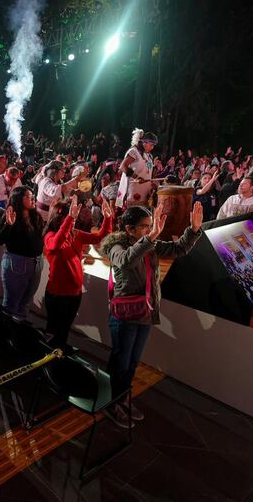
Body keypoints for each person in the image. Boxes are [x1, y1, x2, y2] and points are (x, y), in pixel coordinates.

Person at [101, 201, 203, 428]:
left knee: (132, 362)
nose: (149, 229)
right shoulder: (116, 246)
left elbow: (179, 249)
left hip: (145, 312)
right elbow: (126, 261)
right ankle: (110, 403)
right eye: (145, 226)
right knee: (120, 362)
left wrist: (193, 230)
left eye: (150, 226)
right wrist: (151, 237)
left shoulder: (149, 244)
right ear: (129, 229)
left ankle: (122, 398)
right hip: (125, 315)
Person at [43, 195, 114, 346]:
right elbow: (55, 244)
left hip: (74, 295)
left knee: (64, 331)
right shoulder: (50, 236)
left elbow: (100, 238)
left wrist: (107, 218)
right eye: (69, 216)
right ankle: (47, 359)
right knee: (53, 332)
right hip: (57, 296)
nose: (74, 219)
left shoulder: (75, 234)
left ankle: (58, 357)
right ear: (59, 218)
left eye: (73, 216)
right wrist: (70, 219)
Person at [0, 186, 45, 319]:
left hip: (37, 262)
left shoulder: (35, 216)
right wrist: (9, 225)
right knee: (11, 305)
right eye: (28, 196)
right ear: (18, 199)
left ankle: (18, 334)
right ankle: (6, 337)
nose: (32, 199)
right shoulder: (10, 216)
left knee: (25, 303)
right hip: (17, 264)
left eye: (32, 196)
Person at [116, 129, 157, 208]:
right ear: (144, 142)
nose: (152, 147)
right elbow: (123, 166)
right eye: (151, 144)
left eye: (153, 145)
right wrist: (137, 177)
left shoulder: (149, 156)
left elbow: (148, 172)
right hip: (132, 192)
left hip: (145, 193)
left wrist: (152, 181)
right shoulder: (134, 151)